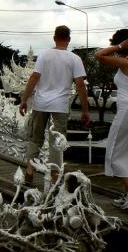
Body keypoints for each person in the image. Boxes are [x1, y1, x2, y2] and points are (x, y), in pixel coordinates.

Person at [19, 25, 90, 182]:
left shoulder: (44, 55)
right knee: (57, 142)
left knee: (35, 139)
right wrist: (85, 111)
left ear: (54, 38)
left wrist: (24, 100)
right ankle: (54, 176)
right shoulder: (74, 59)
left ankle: (29, 172)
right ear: (69, 40)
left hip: (40, 104)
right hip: (60, 106)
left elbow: (34, 77)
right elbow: (80, 85)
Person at [94, 29, 128, 208]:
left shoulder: (124, 62)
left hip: (126, 112)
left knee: (114, 153)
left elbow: (98, 55)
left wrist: (121, 44)